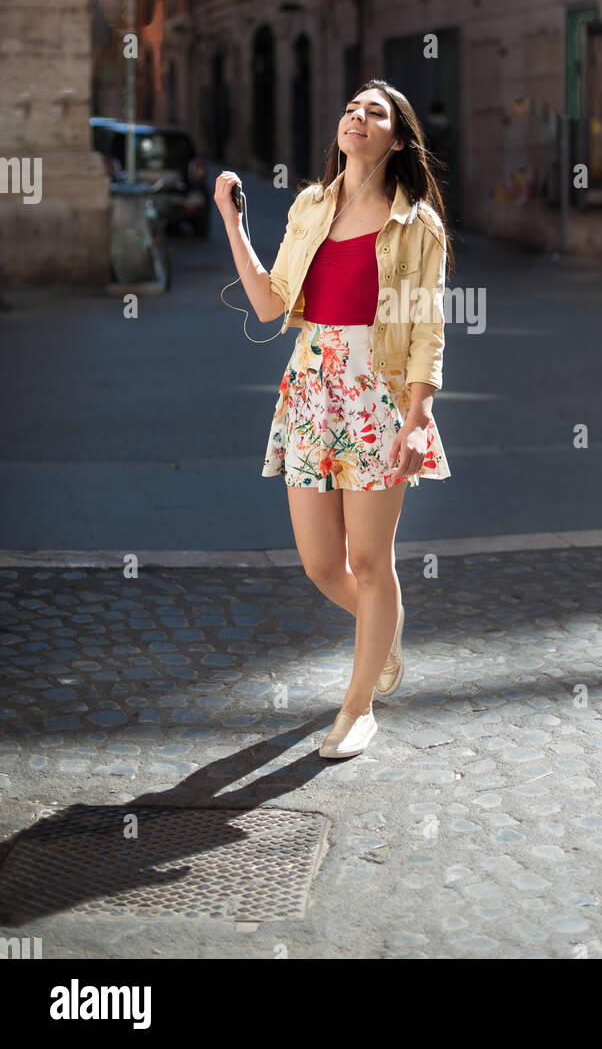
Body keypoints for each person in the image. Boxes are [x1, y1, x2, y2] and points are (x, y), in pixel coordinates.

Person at [214, 80, 453, 761]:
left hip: (378, 392)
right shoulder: (311, 206)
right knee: (322, 564)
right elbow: (269, 303)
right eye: (350, 107)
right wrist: (233, 226)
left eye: (374, 112)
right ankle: (386, 629)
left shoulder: (416, 225)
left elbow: (426, 326)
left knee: (371, 561)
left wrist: (418, 416)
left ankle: (356, 709)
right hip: (312, 387)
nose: (356, 117)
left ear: (397, 138)